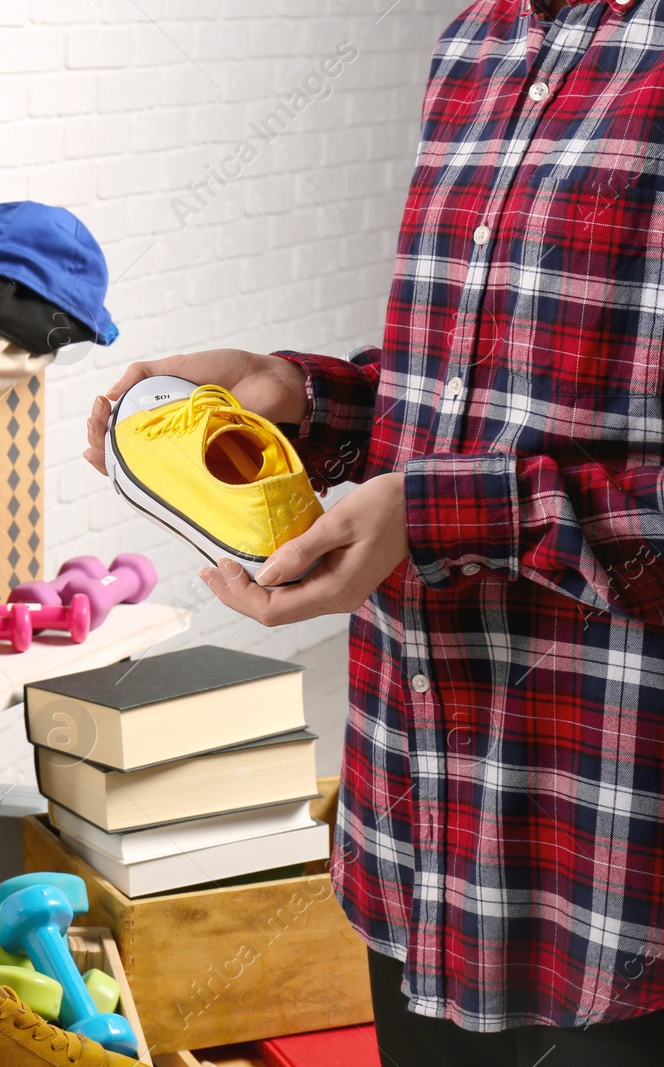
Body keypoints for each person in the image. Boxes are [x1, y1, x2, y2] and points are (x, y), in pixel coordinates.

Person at [85, 1, 664, 1064]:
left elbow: (470, 475)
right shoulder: (479, 41)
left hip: (609, 862)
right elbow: (474, 398)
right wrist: (300, 396)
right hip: (414, 823)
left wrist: (439, 512)